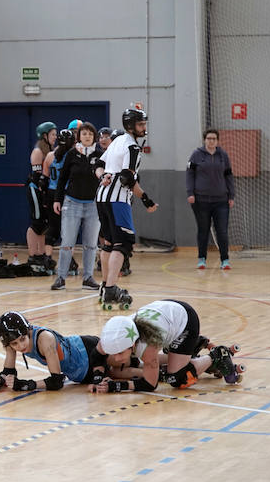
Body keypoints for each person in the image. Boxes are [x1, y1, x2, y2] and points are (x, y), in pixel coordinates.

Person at [91, 299, 243, 393]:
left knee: (177, 378)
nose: (116, 359)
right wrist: (98, 380)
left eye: (119, 353)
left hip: (185, 321)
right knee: (161, 367)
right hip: (167, 311)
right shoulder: (114, 336)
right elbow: (97, 355)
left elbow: (150, 385)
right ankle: (192, 352)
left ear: (131, 344)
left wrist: (115, 387)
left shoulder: (148, 348)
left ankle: (217, 355)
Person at [95, 107, 158, 308]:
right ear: (131, 125)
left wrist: (102, 176)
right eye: (141, 124)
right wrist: (146, 199)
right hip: (117, 198)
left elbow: (98, 163)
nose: (144, 127)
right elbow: (127, 178)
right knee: (123, 243)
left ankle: (105, 286)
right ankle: (112, 289)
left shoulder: (117, 141)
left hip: (102, 196)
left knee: (108, 242)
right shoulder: (131, 146)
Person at [0, 311, 106, 392]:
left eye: (22, 339)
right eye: (14, 343)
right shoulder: (12, 342)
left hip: (90, 351)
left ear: (27, 331)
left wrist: (26, 385)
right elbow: (9, 372)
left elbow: (57, 382)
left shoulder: (45, 339)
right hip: (80, 374)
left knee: (124, 373)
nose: (20, 346)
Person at [51, 122, 102, 292]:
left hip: (93, 206)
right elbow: (62, 179)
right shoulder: (72, 154)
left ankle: (88, 277)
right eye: (84, 134)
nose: (87, 136)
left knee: (90, 244)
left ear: (94, 137)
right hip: (72, 203)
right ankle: (61, 278)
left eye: (90, 134)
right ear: (78, 136)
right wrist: (57, 200)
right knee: (67, 243)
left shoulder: (100, 155)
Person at [186, 128, 235, 270]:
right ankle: (202, 259)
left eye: (214, 139)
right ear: (204, 140)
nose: (211, 141)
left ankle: (225, 260)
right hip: (201, 201)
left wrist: (231, 195)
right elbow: (189, 175)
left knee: (222, 231)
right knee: (203, 230)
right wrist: (190, 193)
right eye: (209, 138)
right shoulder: (196, 155)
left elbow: (229, 176)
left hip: (221, 201)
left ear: (217, 141)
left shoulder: (223, 155)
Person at [42, 129, 77, 275]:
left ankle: (48, 260)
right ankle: (68, 261)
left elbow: (44, 179)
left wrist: (44, 198)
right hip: (67, 194)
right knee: (69, 229)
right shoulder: (72, 156)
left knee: (53, 227)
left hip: (51, 193)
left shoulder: (50, 155)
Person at [27, 122, 56, 267]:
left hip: (43, 190)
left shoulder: (50, 150)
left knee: (44, 223)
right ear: (44, 136)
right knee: (36, 222)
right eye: (52, 134)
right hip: (35, 189)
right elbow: (37, 177)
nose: (55, 137)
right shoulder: (38, 151)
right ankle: (33, 255)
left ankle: (41, 253)